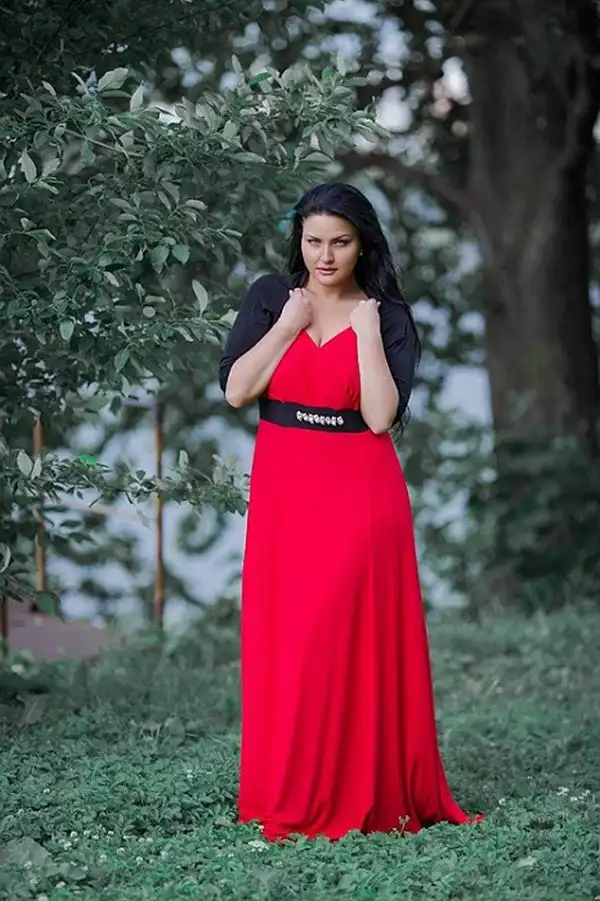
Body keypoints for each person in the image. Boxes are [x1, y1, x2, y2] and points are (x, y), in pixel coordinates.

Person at [219, 182, 481, 841]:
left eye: (340, 242)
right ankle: (290, 786)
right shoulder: (269, 298)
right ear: (299, 241)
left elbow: (381, 415)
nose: (326, 256)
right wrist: (289, 325)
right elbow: (236, 390)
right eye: (314, 241)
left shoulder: (386, 316)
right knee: (291, 641)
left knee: (340, 635)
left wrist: (365, 331)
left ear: (363, 244)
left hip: (359, 491)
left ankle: (359, 786)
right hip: (284, 489)